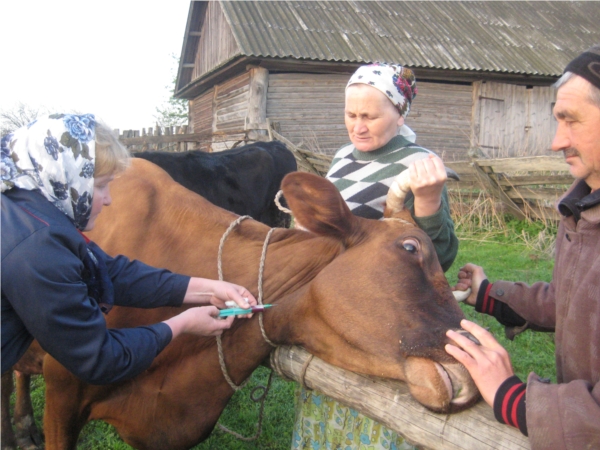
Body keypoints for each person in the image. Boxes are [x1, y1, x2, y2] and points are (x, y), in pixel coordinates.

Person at [1, 113, 257, 385]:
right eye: (100, 186)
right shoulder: (36, 247)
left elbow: (106, 271)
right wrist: (182, 324)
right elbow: (99, 358)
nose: (109, 199)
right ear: (63, 178)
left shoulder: (25, 211)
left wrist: (207, 289)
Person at [293, 63, 458, 450]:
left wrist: (430, 200)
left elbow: (442, 257)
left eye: (369, 116)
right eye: (351, 115)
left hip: (387, 312)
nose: (358, 126)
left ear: (399, 115)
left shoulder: (418, 164)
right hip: (337, 300)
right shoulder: (342, 158)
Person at [445, 45, 600, 450]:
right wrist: (489, 294)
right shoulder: (585, 209)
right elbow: (576, 304)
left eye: (571, 121)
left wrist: (514, 399)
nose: (555, 142)